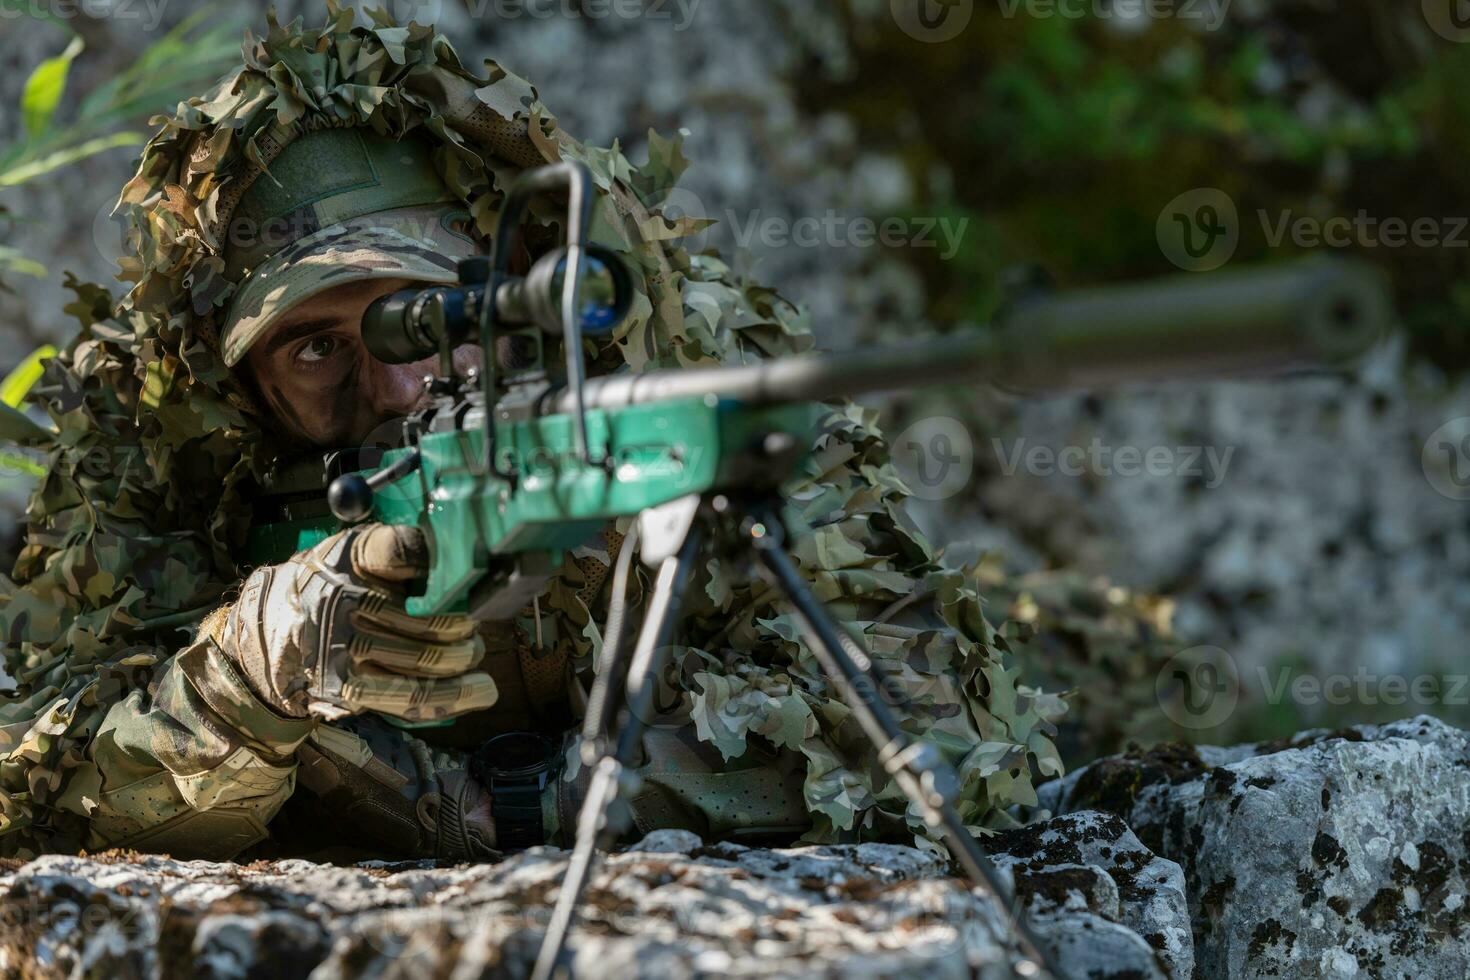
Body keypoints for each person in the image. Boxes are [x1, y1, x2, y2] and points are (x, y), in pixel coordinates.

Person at [0, 7, 1069, 861]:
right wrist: (244, 677)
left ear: (505, 295)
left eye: (424, 313)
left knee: (1080, 645)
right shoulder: (178, 473)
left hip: (1053, 648)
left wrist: (500, 809)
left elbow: (933, 732)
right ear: (239, 384)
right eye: (314, 349)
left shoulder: (674, 401)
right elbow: (39, 788)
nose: (395, 382)